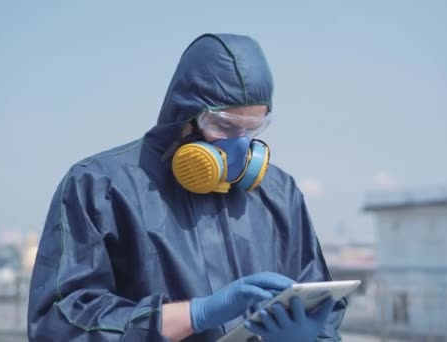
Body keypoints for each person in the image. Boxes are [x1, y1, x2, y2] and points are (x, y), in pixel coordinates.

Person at [27, 33, 347, 341]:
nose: (239, 145)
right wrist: (197, 314)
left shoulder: (278, 191)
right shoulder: (100, 185)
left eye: (251, 129)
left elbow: (322, 307)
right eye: (223, 125)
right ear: (185, 114)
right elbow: (60, 324)